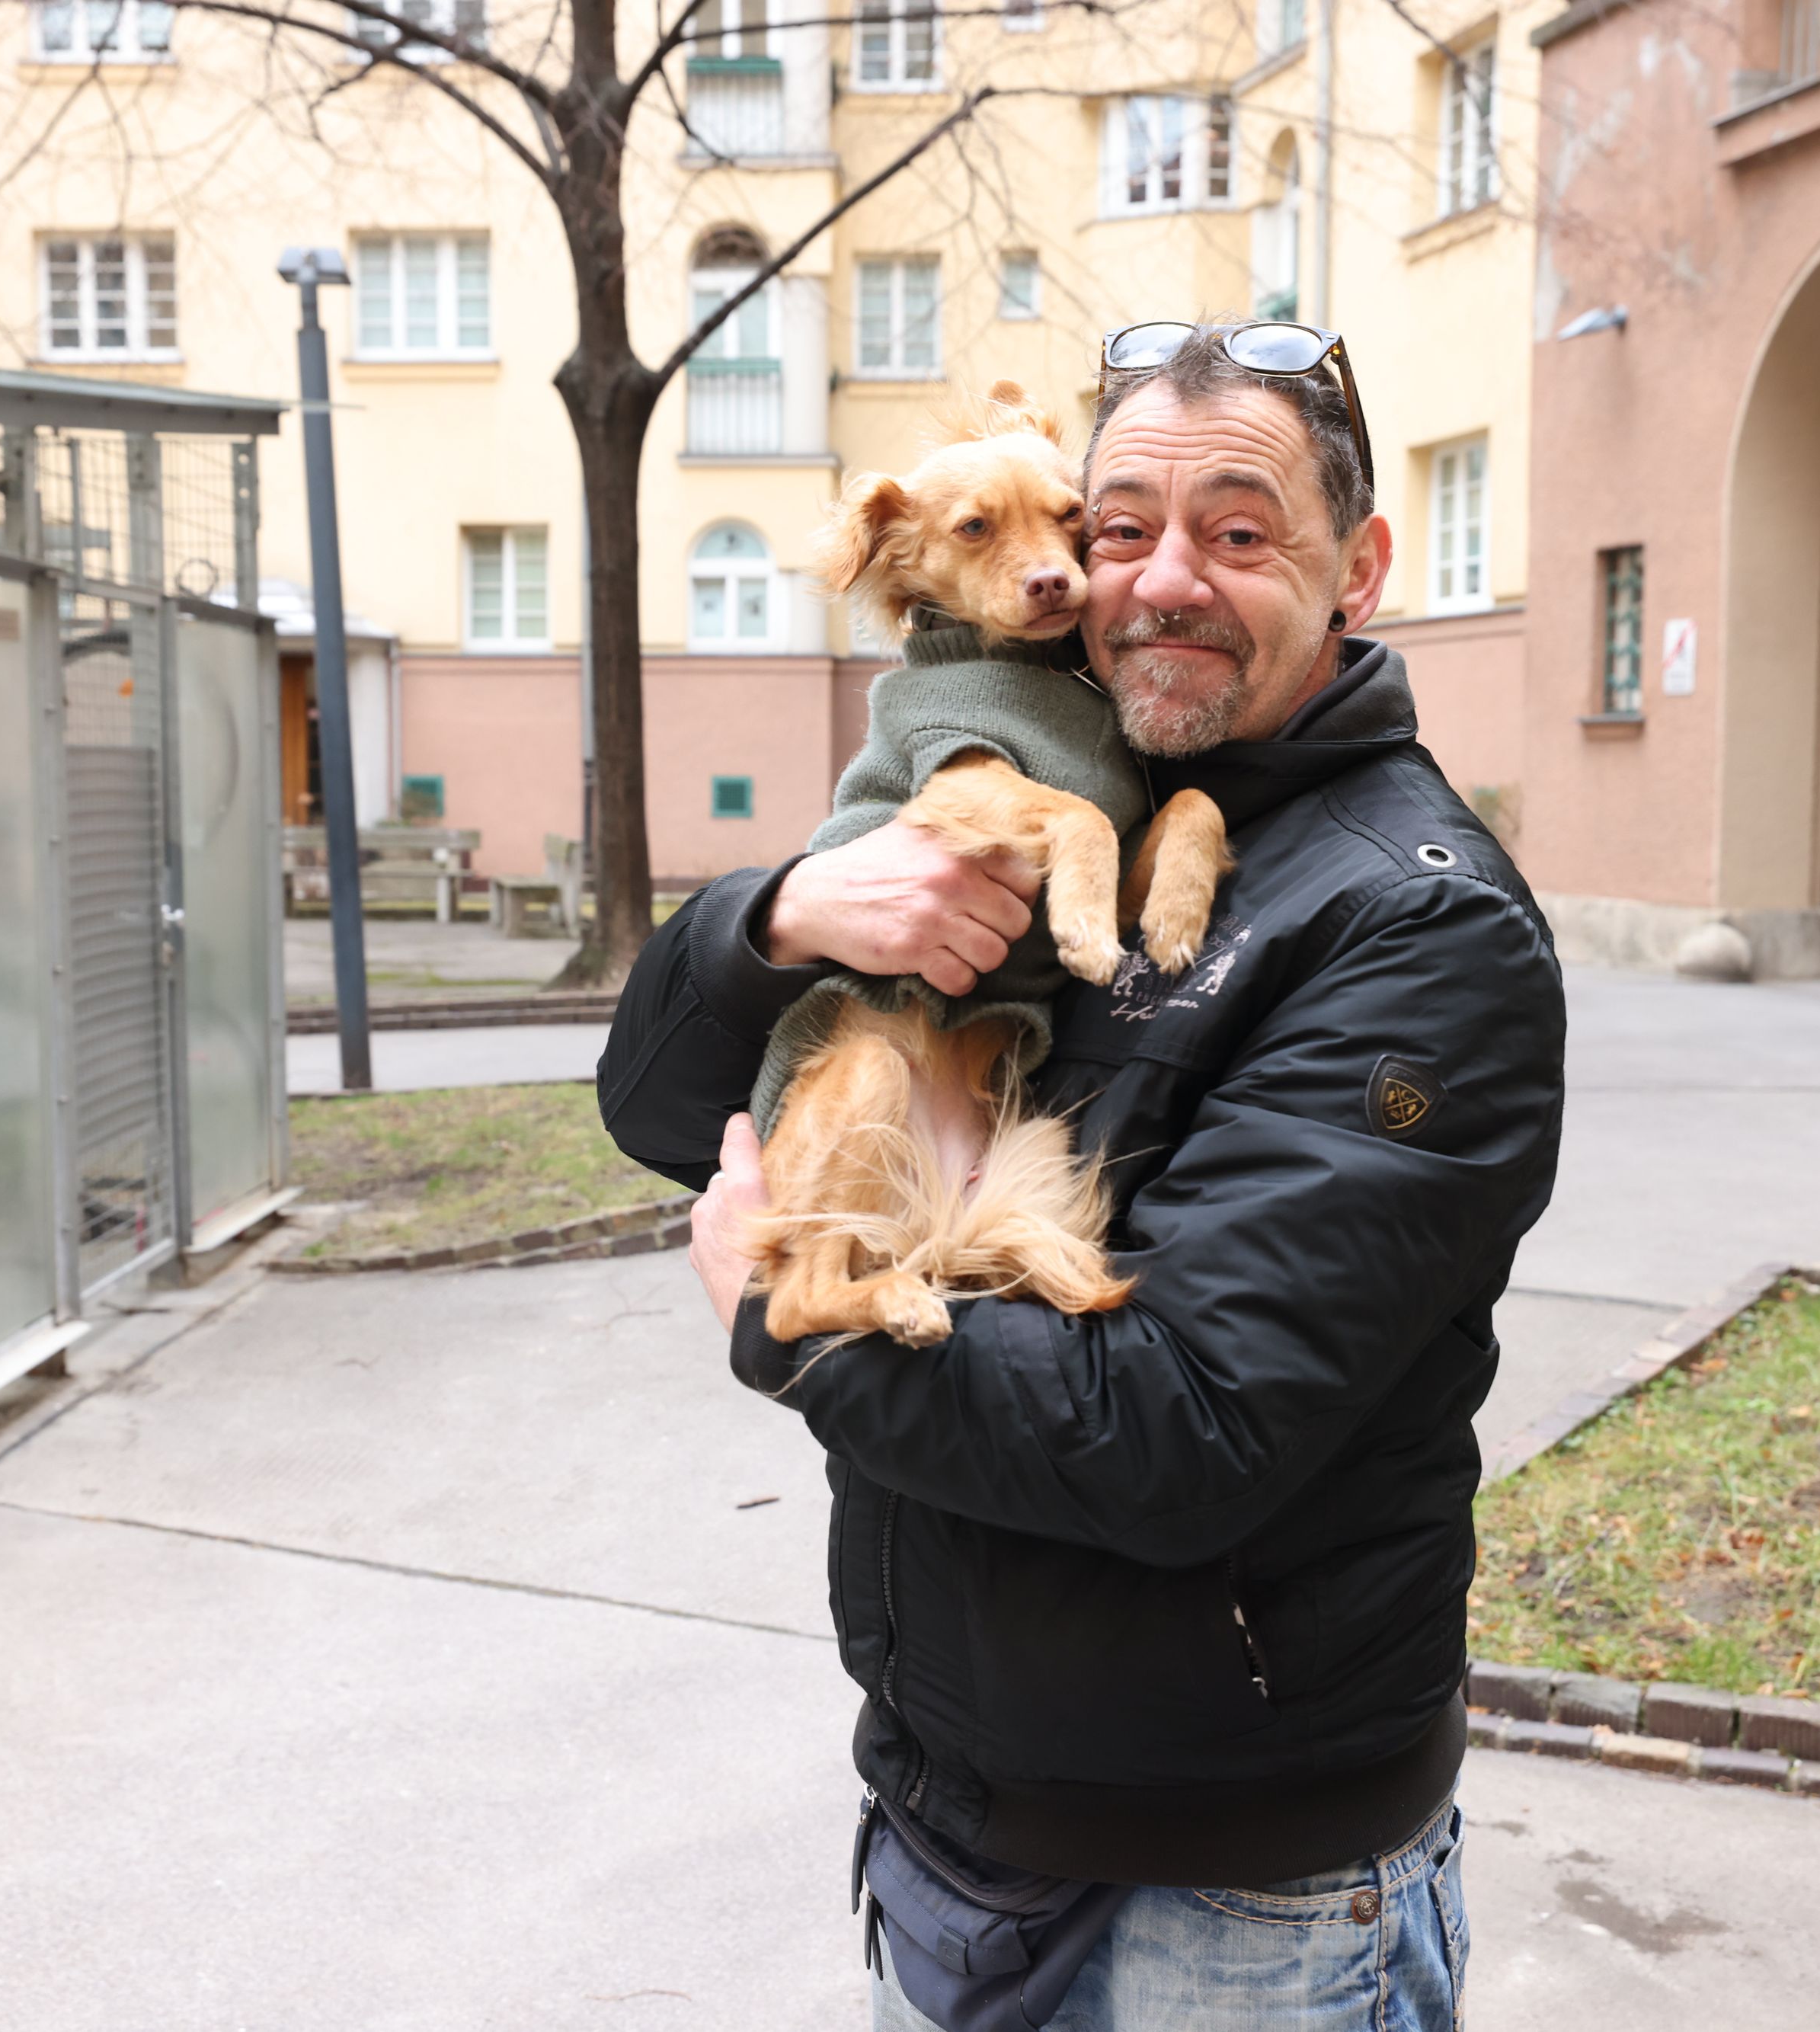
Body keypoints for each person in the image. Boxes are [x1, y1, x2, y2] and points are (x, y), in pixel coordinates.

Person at [596, 321, 1566, 2030]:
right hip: (949, 1823)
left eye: (1237, 531)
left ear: (1359, 567)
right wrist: (776, 917)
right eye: (1119, 527)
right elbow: (667, 1113)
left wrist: (791, 1318)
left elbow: (1178, 1432)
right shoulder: (1033, 790)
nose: (1147, 580)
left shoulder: (1411, 928)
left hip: (1238, 1893)